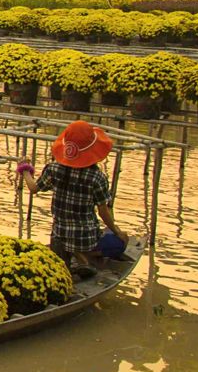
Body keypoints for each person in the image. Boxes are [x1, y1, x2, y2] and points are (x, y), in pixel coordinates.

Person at [17, 120, 127, 280]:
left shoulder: (53, 169)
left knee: (65, 240)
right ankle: (86, 257)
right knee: (121, 242)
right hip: (86, 238)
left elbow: (34, 188)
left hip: (59, 234)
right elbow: (103, 211)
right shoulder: (97, 177)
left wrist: (26, 169)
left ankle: (78, 258)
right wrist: (118, 232)